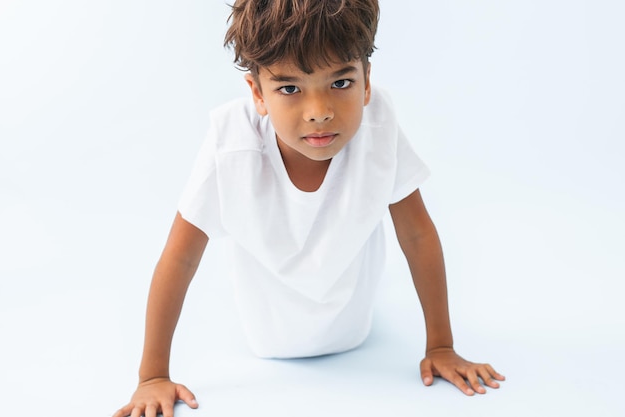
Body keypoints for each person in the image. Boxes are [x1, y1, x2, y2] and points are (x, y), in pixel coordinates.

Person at [114, 0, 505, 416]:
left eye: (340, 83)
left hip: (356, 334)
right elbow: (181, 256)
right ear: (257, 93)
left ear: (366, 81)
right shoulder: (231, 143)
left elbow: (417, 234)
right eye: (289, 89)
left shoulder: (379, 123)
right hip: (266, 342)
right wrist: (152, 376)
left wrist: (441, 345)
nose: (319, 113)